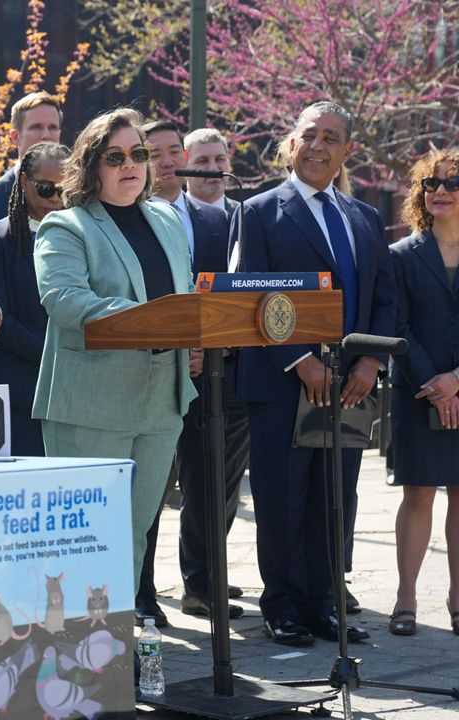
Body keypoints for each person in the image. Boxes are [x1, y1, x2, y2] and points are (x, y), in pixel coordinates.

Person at [232, 101, 395, 646]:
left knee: (334, 499)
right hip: (283, 382)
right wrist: (301, 360)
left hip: (349, 386)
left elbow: (384, 298)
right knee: (283, 498)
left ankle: (323, 603)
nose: (318, 146)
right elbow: (251, 294)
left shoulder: (364, 217)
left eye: (330, 137)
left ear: (347, 150)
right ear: (291, 143)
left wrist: (370, 361)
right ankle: (282, 605)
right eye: (309, 135)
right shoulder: (258, 212)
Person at [32, 108, 198, 591]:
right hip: (92, 405)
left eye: (138, 154)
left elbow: (184, 292)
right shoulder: (66, 226)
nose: (130, 164)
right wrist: (152, 321)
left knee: (134, 535)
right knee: (85, 540)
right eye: (115, 156)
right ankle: (76, 635)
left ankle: (116, 629)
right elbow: (64, 299)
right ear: (91, 165)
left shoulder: (166, 218)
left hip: (161, 400)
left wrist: (194, 330)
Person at [133, 119, 246, 626]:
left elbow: (224, 293)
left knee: (209, 486)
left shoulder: (213, 220)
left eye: (173, 151)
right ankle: (141, 592)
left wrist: (209, 345)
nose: (165, 161)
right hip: (151, 373)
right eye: (152, 152)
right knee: (150, 490)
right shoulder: (128, 220)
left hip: (211, 375)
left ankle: (201, 585)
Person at [387, 149, 459, 637]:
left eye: (453, 183)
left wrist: (457, 380)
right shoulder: (400, 256)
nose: (441, 191)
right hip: (417, 392)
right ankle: (406, 599)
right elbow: (398, 327)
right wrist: (435, 385)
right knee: (418, 494)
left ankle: (458, 597)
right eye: (432, 183)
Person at [0, 141, 68, 456]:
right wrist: (57, 354)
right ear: (24, 181)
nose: (56, 198)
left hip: (73, 391)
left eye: (64, 190)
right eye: (46, 189)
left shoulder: (83, 236)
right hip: (19, 392)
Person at [0, 92, 63, 250]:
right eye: (36, 127)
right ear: (14, 136)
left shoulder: (75, 194)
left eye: (52, 127)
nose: (46, 135)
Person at [183, 127, 240, 215]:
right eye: (202, 161)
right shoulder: (171, 217)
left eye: (219, 159)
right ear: (184, 166)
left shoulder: (245, 215)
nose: (213, 168)